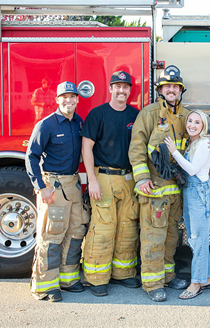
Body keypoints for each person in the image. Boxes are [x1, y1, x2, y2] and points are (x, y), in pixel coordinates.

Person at [128, 65, 191, 302]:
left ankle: (167, 276)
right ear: (160, 90)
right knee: (153, 237)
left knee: (171, 237)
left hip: (175, 191)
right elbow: (136, 147)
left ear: (181, 90)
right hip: (154, 190)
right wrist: (142, 177)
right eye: (167, 86)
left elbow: (202, 134)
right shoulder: (149, 113)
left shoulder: (187, 116)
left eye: (175, 86)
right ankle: (153, 283)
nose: (171, 90)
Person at [26, 81, 88, 302]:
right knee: (51, 235)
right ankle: (45, 286)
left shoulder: (78, 123)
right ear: (57, 100)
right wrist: (41, 188)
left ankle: (68, 279)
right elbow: (31, 157)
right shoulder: (46, 125)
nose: (69, 101)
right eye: (65, 97)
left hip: (72, 183)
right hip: (52, 185)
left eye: (72, 97)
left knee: (75, 230)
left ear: (77, 100)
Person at [81, 71, 141, 297]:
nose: (122, 91)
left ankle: (123, 274)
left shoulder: (135, 115)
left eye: (126, 87)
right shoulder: (97, 114)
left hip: (129, 178)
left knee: (127, 227)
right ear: (110, 89)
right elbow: (86, 147)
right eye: (118, 86)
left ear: (129, 90)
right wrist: (92, 181)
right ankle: (97, 278)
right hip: (103, 178)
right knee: (103, 229)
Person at [164, 110, 210, 300]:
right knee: (197, 239)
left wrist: (174, 152)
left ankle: (195, 284)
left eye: (197, 123)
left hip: (199, 193)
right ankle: (206, 278)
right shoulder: (194, 142)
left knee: (197, 240)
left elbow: (192, 170)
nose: (192, 125)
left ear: (203, 126)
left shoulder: (203, 143)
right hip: (193, 193)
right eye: (190, 121)